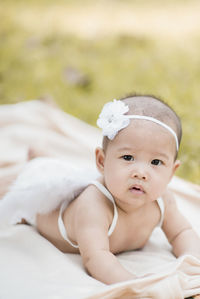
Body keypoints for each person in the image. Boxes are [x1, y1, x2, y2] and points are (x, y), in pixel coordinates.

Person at [4, 94, 200, 285]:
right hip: (45, 211)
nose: (141, 173)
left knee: (68, 171)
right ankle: (38, 160)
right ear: (102, 161)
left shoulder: (163, 200)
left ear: (172, 172)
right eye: (128, 157)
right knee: (34, 181)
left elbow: (181, 232)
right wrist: (133, 284)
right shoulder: (94, 205)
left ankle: (43, 157)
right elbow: (96, 258)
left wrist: (191, 260)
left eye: (156, 162)